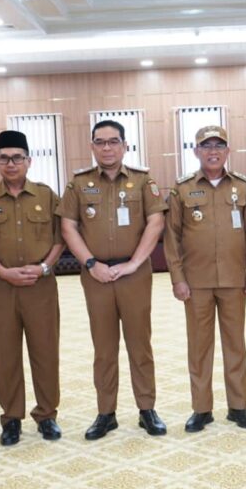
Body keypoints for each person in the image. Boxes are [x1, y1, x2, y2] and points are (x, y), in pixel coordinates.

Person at [57, 120, 168, 440]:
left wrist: (134, 263)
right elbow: (68, 227)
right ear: (92, 146)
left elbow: (156, 222)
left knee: (139, 344)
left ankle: (147, 409)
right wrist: (91, 264)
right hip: (96, 276)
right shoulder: (78, 184)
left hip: (134, 275)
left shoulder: (143, 181)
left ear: (125, 145)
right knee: (104, 348)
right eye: (100, 142)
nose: (107, 147)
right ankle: (106, 413)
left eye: (113, 141)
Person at [0, 130, 65, 445]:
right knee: (3, 354)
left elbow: (61, 238)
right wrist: (2, 271)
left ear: (29, 161)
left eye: (17, 158)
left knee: (45, 352)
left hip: (40, 286)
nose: (11, 164)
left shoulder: (46, 196)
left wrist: (44, 267)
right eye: (4, 158)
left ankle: (47, 415)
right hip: (0, 287)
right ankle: (11, 418)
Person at [163, 125, 246, 432]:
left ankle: (238, 406)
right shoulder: (182, 189)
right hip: (196, 282)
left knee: (235, 345)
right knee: (199, 347)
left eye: (219, 146)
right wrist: (177, 278)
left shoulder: (242, 187)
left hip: (234, 279)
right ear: (196, 152)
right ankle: (202, 409)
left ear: (227, 151)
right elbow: (172, 237)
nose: (213, 151)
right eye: (206, 146)